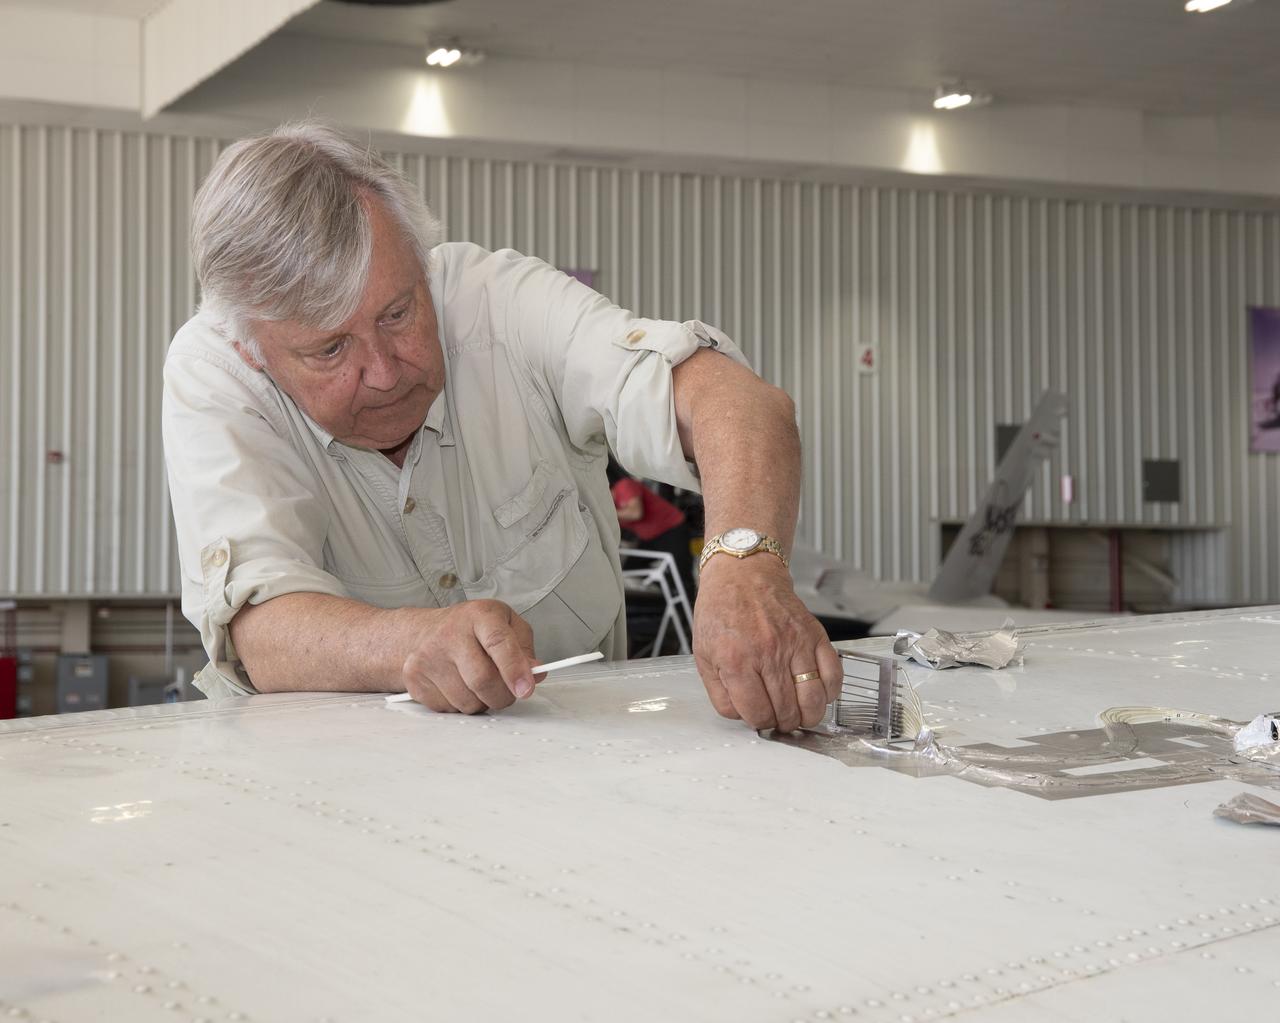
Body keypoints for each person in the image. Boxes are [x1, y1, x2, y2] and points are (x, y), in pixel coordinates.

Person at [163, 121, 840, 733]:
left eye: (397, 314)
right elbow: (261, 626)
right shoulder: (215, 371)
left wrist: (745, 561)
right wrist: (409, 646)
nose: (383, 371)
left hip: (588, 775)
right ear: (253, 349)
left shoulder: (499, 301)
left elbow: (736, 399)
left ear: (422, 263)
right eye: (331, 350)